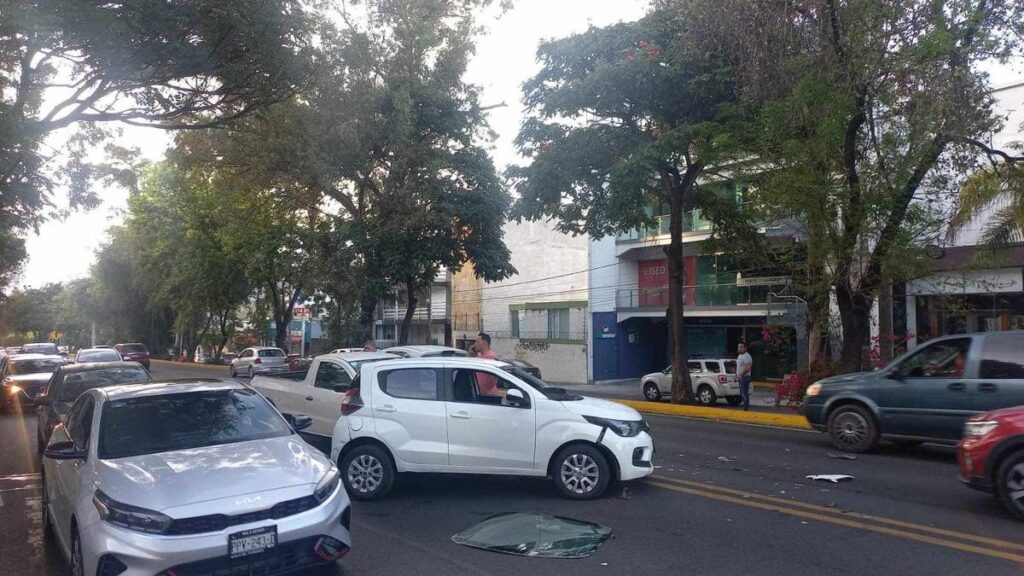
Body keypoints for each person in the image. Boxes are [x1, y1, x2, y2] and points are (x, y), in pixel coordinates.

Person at [736, 341, 753, 411]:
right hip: (741, 377)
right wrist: (737, 374)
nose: (739, 348)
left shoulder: (747, 356)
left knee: (744, 393)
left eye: (741, 347)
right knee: (742, 392)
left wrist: (741, 374)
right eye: (738, 347)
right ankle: (745, 406)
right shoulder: (740, 356)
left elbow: (748, 367)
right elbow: (739, 366)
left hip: (745, 377)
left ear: (745, 348)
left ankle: (746, 408)